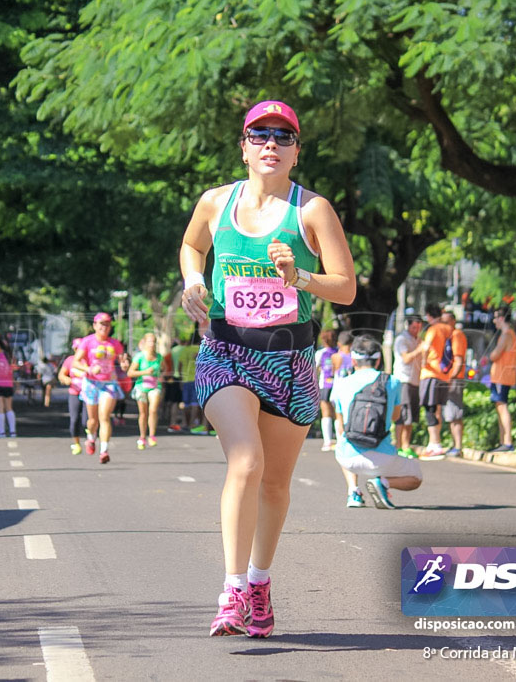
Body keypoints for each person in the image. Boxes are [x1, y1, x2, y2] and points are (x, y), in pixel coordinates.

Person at [180, 100, 355, 637]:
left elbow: (346, 287)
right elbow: (191, 245)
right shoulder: (215, 202)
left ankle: (259, 582)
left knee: (275, 484)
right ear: (244, 146)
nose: (270, 144)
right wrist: (193, 281)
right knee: (246, 460)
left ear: (296, 152)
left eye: (283, 136)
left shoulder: (312, 211)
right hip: (226, 351)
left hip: (291, 360)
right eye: (260, 135)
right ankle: (232, 590)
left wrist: (299, 276)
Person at [331, 335, 423, 509]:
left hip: (348, 458)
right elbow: (395, 418)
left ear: (353, 360)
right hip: (383, 457)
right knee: (416, 477)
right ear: (378, 359)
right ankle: (383, 483)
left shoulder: (341, 384)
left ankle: (353, 492)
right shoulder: (393, 382)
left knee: (343, 439)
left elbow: (341, 424)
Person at [73, 312, 130, 463]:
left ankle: (104, 450)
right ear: (95, 325)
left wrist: (124, 365)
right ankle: (91, 437)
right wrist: (89, 370)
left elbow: (122, 360)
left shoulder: (114, 344)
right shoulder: (87, 341)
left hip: (109, 384)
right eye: (101, 324)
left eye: (107, 324)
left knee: (104, 416)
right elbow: (76, 362)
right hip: (92, 383)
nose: (104, 327)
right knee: (92, 420)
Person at [416, 303, 451, 460]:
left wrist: (423, 362)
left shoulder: (433, 329)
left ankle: (434, 444)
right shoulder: (448, 329)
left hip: (431, 372)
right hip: (444, 374)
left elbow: (426, 347)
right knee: (437, 409)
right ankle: (435, 442)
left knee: (429, 408)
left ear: (429, 316)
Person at [391, 317, 424, 458]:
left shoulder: (418, 340)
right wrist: (419, 350)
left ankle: (406, 445)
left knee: (411, 416)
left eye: (418, 327)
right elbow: (406, 358)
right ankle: (399, 446)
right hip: (403, 380)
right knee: (402, 414)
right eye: (413, 327)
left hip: (415, 380)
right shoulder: (401, 339)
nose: (416, 330)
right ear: (408, 326)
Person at [488, 305, 516, 452]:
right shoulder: (510, 334)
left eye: (495, 317)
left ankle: (507, 442)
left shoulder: (506, 335)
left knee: (502, 406)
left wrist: (490, 356)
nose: (494, 321)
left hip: (502, 376)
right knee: (500, 407)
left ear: (501, 318)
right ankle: (503, 441)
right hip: (502, 376)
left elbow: (494, 354)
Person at [129, 332, 163, 449]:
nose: (152, 344)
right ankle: (142, 436)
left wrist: (162, 375)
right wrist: (144, 372)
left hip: (155, 386)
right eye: (149, 341)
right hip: (141, 386)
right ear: (144, 343)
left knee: (153, 410)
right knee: (143, 413)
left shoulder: (159, 357)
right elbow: (130, 373)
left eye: (154, 341)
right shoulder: (139, 356)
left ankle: (152, 436)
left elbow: (165, 370)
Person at [441, 311, 467, 456]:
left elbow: (458, 360)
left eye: (446, 322)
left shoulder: (456, 335)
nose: (444, 325)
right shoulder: (450, 335)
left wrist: (451, 378)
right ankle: (456, 445)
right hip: (451, 377)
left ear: (453, 321)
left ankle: (457, 446)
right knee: (451, 413)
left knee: (455, 412)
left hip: (454, 378)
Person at [58, 347, 86, 454]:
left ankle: (90, 438)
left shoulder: (89, 359)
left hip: (88, 393)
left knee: (86, 421)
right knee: (74, 419)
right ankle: (76, 443)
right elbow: (61, 375)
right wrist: (66, 379)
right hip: (74, 393)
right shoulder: (70, 360)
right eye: (76, 348)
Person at [315, 329, 338, 451]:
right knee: (338, 414)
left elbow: (315, 368)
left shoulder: (320, 353)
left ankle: (327, 441)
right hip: (338, 385)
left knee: (326, 413)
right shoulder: (339, 352)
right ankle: (340, 440)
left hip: (324, 385)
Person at [0, 334, 17, 438]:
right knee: (9, 408)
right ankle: (13, 431)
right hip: (8, 384)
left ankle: (1, 432)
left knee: (0, 408)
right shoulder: (9, 355)